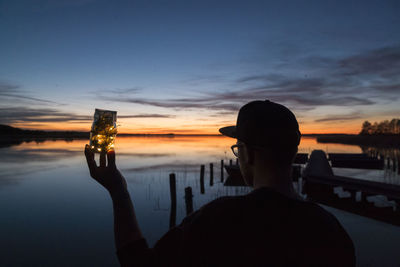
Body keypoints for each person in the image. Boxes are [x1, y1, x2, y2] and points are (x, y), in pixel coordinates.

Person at [84, 100, 356, 267]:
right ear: (293, 154)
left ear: (247, 153)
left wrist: (118, 192)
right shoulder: (332, 232)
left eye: (237, 149)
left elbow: (138, 262)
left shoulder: (217, 221)